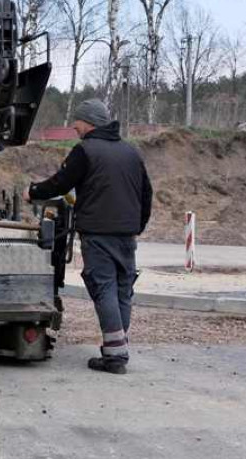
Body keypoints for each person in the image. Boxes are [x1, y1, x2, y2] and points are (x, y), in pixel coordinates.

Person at [25, 99, 153, 375]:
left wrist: (33, 192)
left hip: (98, 232)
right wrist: (137, 226)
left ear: (90, 122)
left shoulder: (86, 151)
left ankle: (115, 357)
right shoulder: (131, 152)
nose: (74, 127)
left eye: (77, 122)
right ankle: (116, 349)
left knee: (103, 287)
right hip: (126, 234)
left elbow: (61, 183)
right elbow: (146, 195)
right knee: (122, 289)